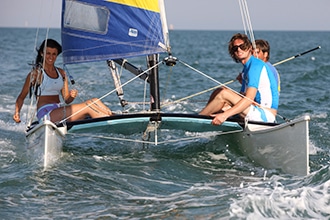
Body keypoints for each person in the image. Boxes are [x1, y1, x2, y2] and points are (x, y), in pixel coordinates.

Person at [13, 39, 112, 124]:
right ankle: (110, 125)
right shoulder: (36, 74)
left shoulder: (62, 73)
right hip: (46, 115)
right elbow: (21, 97)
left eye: (54, 54)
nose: (51, 57)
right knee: (89, 106)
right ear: (42, 53)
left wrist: (71, 96)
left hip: (59, 111)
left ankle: (113, 118)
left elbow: (66, 100)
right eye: (48, 53)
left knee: (95, 101)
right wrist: (17, 113)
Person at [199, 33, 279, 125]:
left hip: (265, 115)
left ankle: (198, 120)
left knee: (224, 94)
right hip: (255, 109)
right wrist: (224, 109)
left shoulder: (255, 65)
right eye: (235, 48)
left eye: (242, 46)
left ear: (249, 48)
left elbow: (248, 99)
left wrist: (225, 115)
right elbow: (243, 96)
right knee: (219, 91)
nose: (239, 50)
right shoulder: (246, 69)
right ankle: (206, 118)